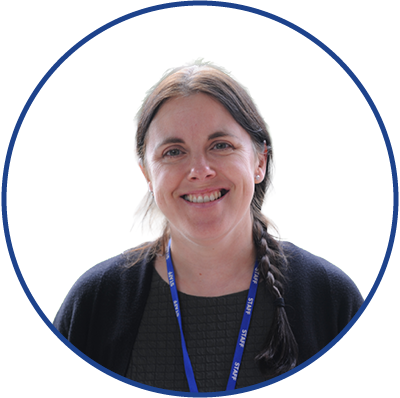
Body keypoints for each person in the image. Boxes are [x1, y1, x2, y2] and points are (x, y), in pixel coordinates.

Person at [53, 61, 364, 393]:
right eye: (174, 152)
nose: (200, 170)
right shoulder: (96, 302)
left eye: (221, 145)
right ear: (148, 175)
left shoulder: (329, 297)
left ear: (259, 161)